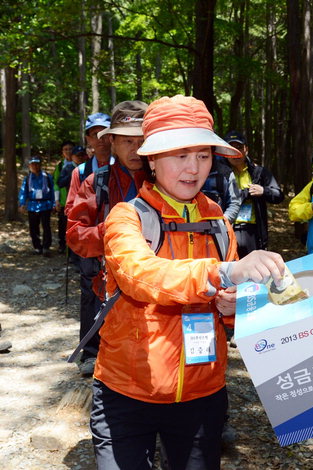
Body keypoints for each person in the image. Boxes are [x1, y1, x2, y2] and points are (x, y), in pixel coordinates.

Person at [91, 94, 285, 470]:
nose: (193, 168)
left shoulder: (217, 221)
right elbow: (140, 277)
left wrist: (234, 305)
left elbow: (234, 309)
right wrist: (223, 273)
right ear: (152, 158)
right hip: (127, 392)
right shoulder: (127, 217)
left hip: (202, 394)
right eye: (180, 155)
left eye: (203, 155)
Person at [66, 101, 148, 378]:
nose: (135, 149)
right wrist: (111, 230)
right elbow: (75, 233)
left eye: (142, 140)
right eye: (127, 141)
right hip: (110, 281)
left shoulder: (166, 178)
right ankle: (92, 354)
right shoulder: (95, 182)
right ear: (111, 141)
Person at [224, 130, 284, 257]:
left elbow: (278, 195)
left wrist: (263, 191)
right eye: (231, 149)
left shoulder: (258, 172)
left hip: (252, 231)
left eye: (239, 148)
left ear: (246, 149)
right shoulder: (219, 173)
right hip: (227, 228)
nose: (235, 153)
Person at [18, 156, 55, 256]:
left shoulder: (47, 176)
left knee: (46, 226)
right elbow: (23, 192)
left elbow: (52, 190)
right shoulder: (28, 178)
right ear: (29, 165)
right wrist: (22, 204)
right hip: (32, 205)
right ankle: (37, 247)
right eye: (32, 164)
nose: (35, 166)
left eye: (37, 164)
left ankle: (46, 247)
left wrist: (54, 203)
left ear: (40, 165)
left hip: (45, 204)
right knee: (33, 227)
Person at [201, 156, 242, 225]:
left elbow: (234, 202)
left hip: (218, 226)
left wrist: (222, 222)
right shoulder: (187, 171)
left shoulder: (225, 173)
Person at [53, 140, 75, 253]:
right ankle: (62, 246)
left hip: (76, 202)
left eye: (70, 149)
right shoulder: (60, 166)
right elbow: (56, 184)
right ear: (62, 152)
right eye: (65, 150)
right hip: (63, 201)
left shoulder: (81, 163)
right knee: (62, 225)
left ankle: (73, 249)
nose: (68, 152)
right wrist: (56, 200)